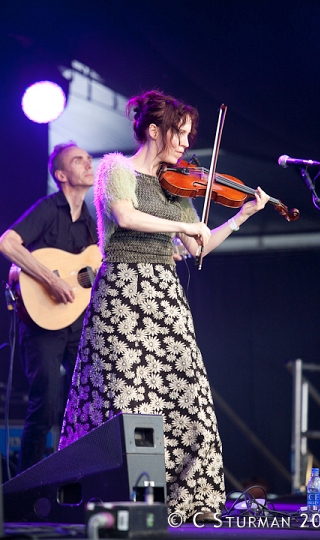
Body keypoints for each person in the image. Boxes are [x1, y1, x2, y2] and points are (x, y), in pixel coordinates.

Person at [58, 90, 270, 520]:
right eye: (180, 133)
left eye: (190, 135)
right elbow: (126, 215)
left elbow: (200, 246)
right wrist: (180, 225)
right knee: (123, 396)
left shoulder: (178, 182)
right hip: (122, 291)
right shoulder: (116, 167)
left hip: (165, 296)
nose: (185, 143)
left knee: (186, 396)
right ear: (155, 131)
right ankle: (115, 497)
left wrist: (241, 217)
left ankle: (187, 501)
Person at [0, 142, 98, 473]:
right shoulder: (47, 208)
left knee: (83, 401)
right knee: (46, 404)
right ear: (61, 175)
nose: (87, 163)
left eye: (87, 157)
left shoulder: (90, 222)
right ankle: (25, 489)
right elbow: (8, 243)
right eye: (77, 160)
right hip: (41, 322)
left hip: (76, 324)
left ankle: (76, 477)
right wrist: (51, 280)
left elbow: (91, 271)